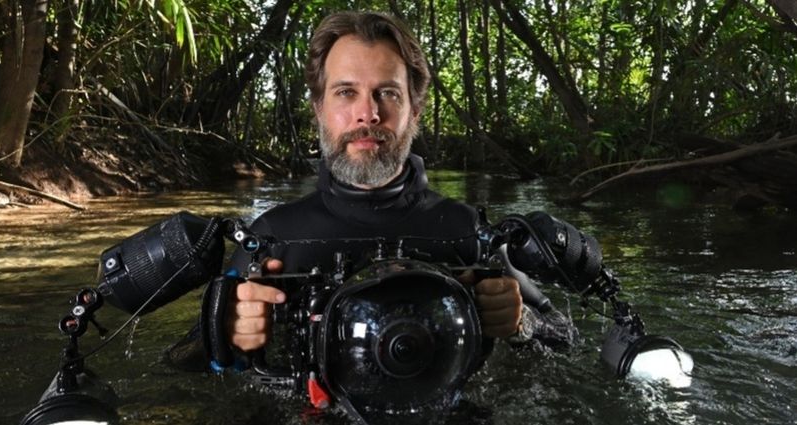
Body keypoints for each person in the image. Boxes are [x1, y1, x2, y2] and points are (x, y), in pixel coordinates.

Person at [168, 10, 575, 378]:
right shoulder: (274, 237)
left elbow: (563, 338)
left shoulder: (467, 232)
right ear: (318, 109)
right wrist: (223, 333)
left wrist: (520, 324)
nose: (368, 113)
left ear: (415, 110)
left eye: (388, 93)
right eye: (346, 92)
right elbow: (177, 366)